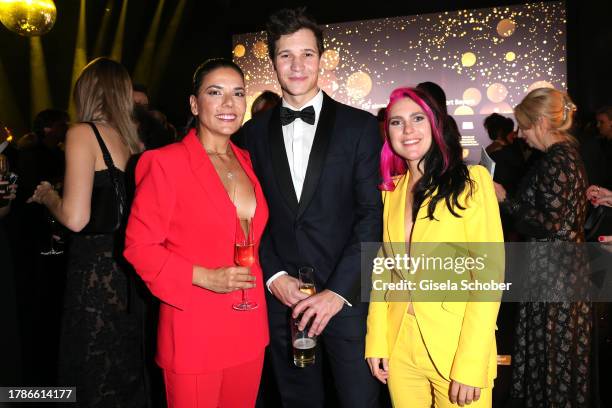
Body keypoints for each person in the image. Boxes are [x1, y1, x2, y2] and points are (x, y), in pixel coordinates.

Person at [235, 7, 383, 407]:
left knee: (359, 400)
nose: (297, 65)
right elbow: (247, 217)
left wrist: (337, 292)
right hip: (284, 301)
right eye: (286, 55)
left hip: (346, 301)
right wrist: (273, 275)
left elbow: (372, 216)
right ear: (273, 62)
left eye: (306, 54)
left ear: (321, 58)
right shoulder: (251, 133)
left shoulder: (361, 127)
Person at [124, 58, 269, 408]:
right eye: (215, 92)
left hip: (248, 325)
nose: (228, 104)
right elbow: (138, 247)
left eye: (237, 93)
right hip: (194, 329)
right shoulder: (164, 163)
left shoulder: (247, 160)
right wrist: (204, 277)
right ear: (194, 103)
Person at [365, 87, 504, 408]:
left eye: (417, 118)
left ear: (436, 124)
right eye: (397, 122)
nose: (408, 130)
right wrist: (377, 341)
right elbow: (383, 272)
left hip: (456, 346)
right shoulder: (390, 191)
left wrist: (470, 363)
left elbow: (488, 280)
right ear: (388, 132)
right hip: (400, 347)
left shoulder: (473, 182)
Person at [28, 57, 147, 407]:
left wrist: (49, 197)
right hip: (132, 272)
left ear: (87, 91)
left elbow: (76, 218)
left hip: (96, 272)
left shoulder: (83, 133)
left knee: (92, 374)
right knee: (126, 373)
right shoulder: (133, 143)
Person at [494, 88, 593, 407]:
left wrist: (505, 199)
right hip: (557, 273)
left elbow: (549, 224)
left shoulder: (558, 159)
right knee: (550, 360)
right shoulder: (562, 155)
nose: (520, 134)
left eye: (523, 126)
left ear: (539, 122)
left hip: (556, 278)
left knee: (552, 362)